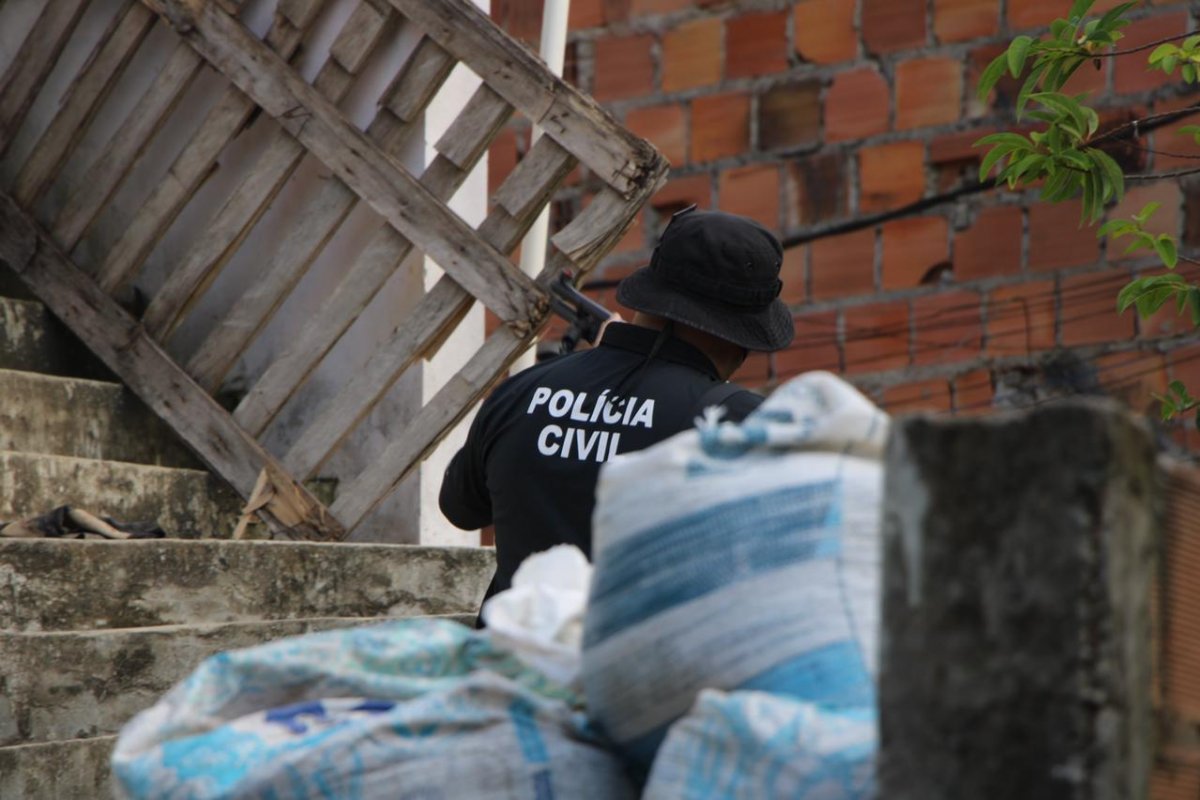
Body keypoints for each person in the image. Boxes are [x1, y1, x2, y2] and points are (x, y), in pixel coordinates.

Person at [438, 207, 796, 612]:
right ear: (741, 335)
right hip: (643, 670)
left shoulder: (521, 390)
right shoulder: (734, 422)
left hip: (512, 664)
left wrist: (597, 372)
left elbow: (460, 508)